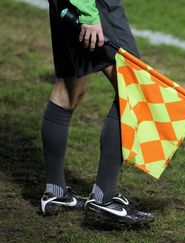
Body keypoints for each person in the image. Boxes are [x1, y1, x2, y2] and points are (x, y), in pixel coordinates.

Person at [39, 0, 154, 226]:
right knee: (132, 88)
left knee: (70, 87)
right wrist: (89, 15)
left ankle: (56, 192)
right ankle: (105, 198)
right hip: (91, 5)